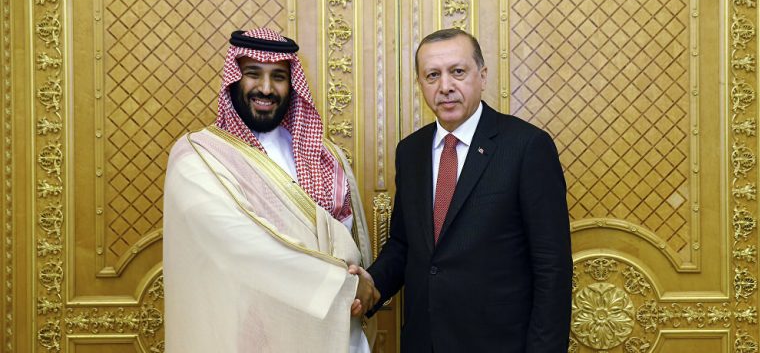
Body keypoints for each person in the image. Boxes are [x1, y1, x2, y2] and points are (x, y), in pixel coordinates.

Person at [163, 28, 379, 352]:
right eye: (253, 74)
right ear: (234, 79)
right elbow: (239, 246)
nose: (266, 88)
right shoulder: (197, 157)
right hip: (247, 332)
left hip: (331, 329)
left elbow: (346, 241)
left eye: (278, 77)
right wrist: (344, 285)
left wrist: (358, 280)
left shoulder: (324, 156)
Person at [363, 28, 573, 352]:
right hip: (424, 342)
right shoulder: (411, 151)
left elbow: (552, 266)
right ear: (420, 83)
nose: (445, 86)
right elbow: (405, 243)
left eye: (458, 72)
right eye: (432, 75)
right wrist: (372, 284)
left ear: (482, 76)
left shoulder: (527, 146)